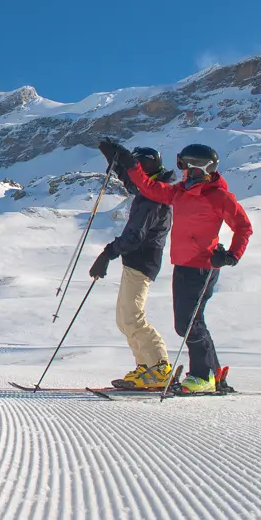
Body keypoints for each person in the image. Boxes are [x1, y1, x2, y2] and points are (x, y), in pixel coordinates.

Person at [98, 139, 253, 393]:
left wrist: (230, 256)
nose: (181, 171)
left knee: (187, 324)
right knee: (191, 321)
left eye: (184, 166)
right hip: (182, 265)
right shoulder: (180, 192)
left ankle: (202, 376)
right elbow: (149, 188)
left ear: (197, 168)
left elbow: (243, 227)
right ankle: (214, 375)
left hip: (203, 266)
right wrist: (129, 164)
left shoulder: (218, 196)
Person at [88, 146, 175, 390]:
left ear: (144, 167)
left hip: (143, 258)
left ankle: (158, 367)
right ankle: (145, 367)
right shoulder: (152, 189)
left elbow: (135, 235)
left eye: (136, 166)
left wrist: (108, 254)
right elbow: (134, 185)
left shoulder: (153, 198)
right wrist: (116, 163)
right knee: (124, 318)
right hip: (138, 259)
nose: (133, 171)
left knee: (132, 316)